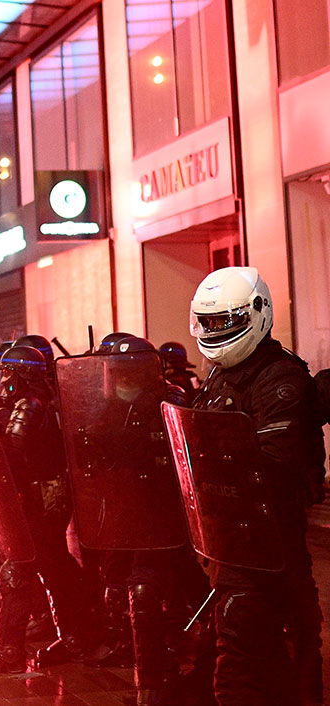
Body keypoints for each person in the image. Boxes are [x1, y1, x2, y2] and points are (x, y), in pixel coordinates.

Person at [187, 267, 324, 706]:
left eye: (225, 321)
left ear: (257, 314)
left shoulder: (279, 378)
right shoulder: (221, 376)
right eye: (209, 323)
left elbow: (273, 464)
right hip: (227, 539)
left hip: (270, 542)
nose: (216, 332)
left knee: (259, 667)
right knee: (247, 658)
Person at [0, 345, 94, 673]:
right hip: (52, 493)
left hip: (40, 496)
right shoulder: (41, 401)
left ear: (22, 375)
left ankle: (10, 650)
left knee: (19, 565)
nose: (3, 378)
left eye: (9, 372)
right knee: (54, 565)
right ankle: (76, 638)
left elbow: (11, 452)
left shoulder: (27, 406)